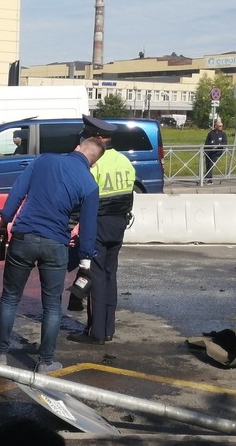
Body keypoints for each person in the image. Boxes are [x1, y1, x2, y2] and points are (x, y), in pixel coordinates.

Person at [0, 129, 105, 374]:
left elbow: (17, 193)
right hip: (56, 244)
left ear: (77, 147)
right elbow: (89, 227)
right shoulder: (90, 184)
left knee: (10, 298)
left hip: (23, 238)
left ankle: (0, 354)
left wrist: (3, 224)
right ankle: (45, 362)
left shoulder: (43, 160)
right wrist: (85, 261)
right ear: (93, 162)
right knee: (52, 306)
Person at [67, 124, 135, 346]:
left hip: (97, 225)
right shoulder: (125, 162)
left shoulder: (95, 163)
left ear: (96, 138)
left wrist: (72, 225)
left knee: (95, 277)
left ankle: (95, 332)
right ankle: (107, 329)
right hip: (119, 225)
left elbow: (83, 196)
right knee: (109, 276)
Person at [203, 119, 227, 184]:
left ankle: (208, 179)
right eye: (219, 126)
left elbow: (225, 143)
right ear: (215, 126)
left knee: (211, 165)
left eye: (222, 126)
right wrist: (205, 150)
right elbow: (207, 142)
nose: (221, 127)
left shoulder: (223, 134)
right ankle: (208, 178)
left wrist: (219, 145)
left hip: (217, 152)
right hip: (209, 151)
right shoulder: (211, 133)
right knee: (208, 165)